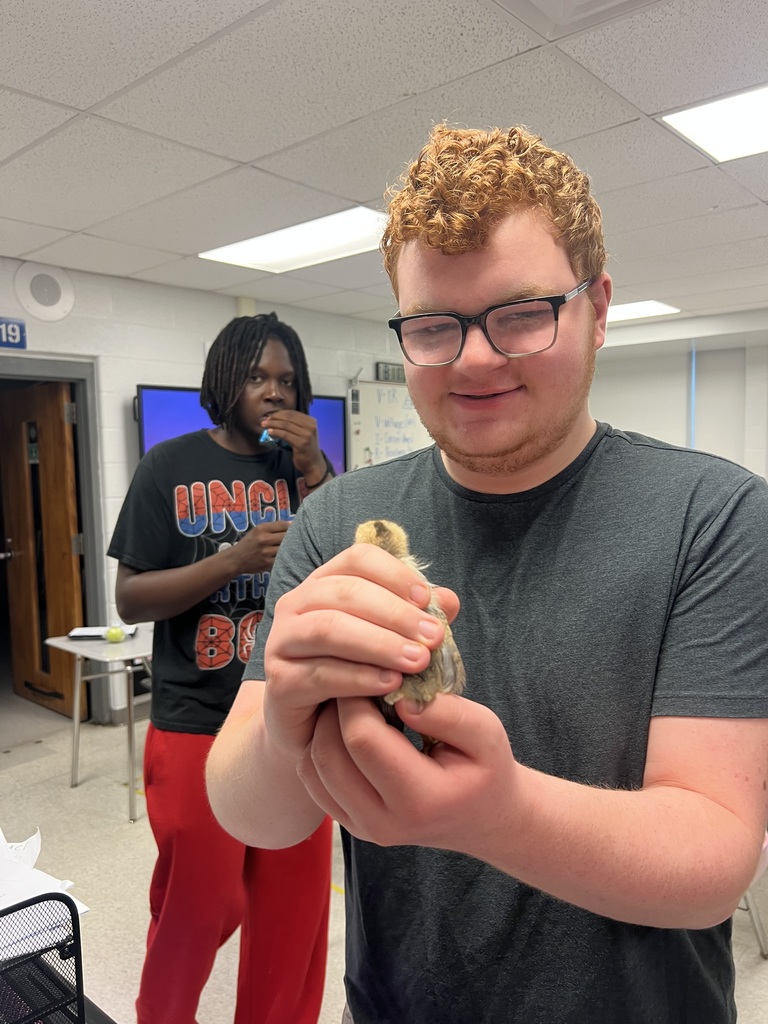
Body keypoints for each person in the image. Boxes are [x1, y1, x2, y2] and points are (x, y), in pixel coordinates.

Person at [205, 126, 768, 1024]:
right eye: (433, 326)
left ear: (599, 307)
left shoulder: (716, 517)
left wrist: (492, 813)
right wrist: (282, 725)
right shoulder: (337, 522)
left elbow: (709, 865)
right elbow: (254, 816)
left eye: (520, 313)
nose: (472, 358)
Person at [108, 312, 334, 1024]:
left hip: (295, 726)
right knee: (197, 909)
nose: (274, 392)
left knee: (293, 921)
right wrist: (232, 561)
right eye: (258, 376)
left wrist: (317, 470)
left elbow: (346, 565)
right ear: (224, 380)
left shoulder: (306, 474)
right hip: (196, 725)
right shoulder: (168, 467)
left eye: (288, 381)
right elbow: (131, 597)